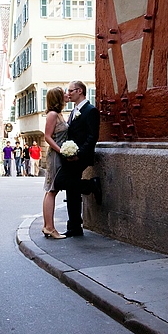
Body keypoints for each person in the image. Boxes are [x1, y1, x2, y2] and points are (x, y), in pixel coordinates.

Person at [57, 80, 100, 237]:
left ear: (80, 91)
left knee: (61, 182)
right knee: (71, 190)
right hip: (71, 156)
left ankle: (90, 185)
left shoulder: (90, 110)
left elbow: (92, 136)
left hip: (81, 156)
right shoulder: (74, 111)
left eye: (71, 91)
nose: (68, 94)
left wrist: (79, 154)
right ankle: (74, 226)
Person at [42, 88, 67, 239]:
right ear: (58, 98)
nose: (66, 95)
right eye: (63, 93)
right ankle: (50, 227)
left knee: (51, 190)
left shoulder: (58, 114)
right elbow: (47, 137)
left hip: (58, 154)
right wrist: (61, 150)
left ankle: (47, 226)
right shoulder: (52, 115)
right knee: (52, 189)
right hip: (55, 156)